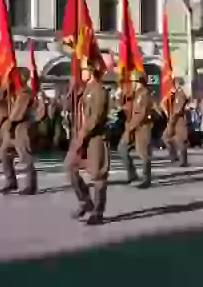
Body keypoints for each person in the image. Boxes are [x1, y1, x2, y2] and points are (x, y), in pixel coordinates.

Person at [65, 60, 109, 225]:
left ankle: (98, 211)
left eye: (82, 70)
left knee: (98, 176)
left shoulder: (99, 91)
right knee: (70, 167)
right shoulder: (82, 90)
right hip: (80, 137)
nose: (80, 73)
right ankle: (85, 201)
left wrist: (82, 136)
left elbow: (95, 118)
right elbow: (69, 108)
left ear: (91, 71)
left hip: (94, 138)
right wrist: (71, 90)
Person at [117, 70, 153, 189]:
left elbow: (141, 115)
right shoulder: (135, 94)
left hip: (141, 127)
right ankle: (132, 174)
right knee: (122, 148)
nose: (132, 83)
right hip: (131, 126)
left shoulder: (144, 94)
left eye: (134, 81)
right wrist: (118, 100)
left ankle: (146, 178)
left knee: (143, 153)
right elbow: (127, 108)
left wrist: (131, 126)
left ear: (139, 81)